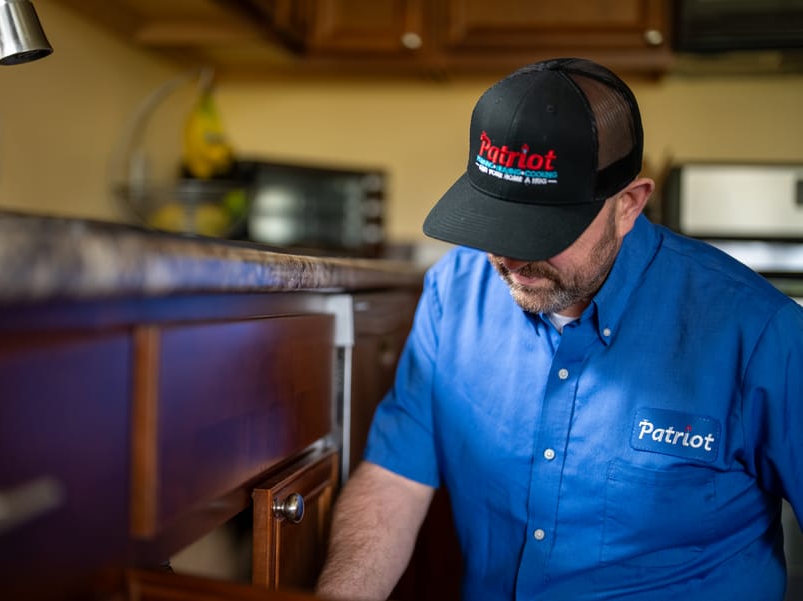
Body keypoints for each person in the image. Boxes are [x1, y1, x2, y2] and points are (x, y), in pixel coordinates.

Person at [315, 58, 803, 601]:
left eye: (544, 230)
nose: (513, 256)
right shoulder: (453, 294)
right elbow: (394, 480)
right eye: (496, 223)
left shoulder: (761, 335)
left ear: (628, 205)